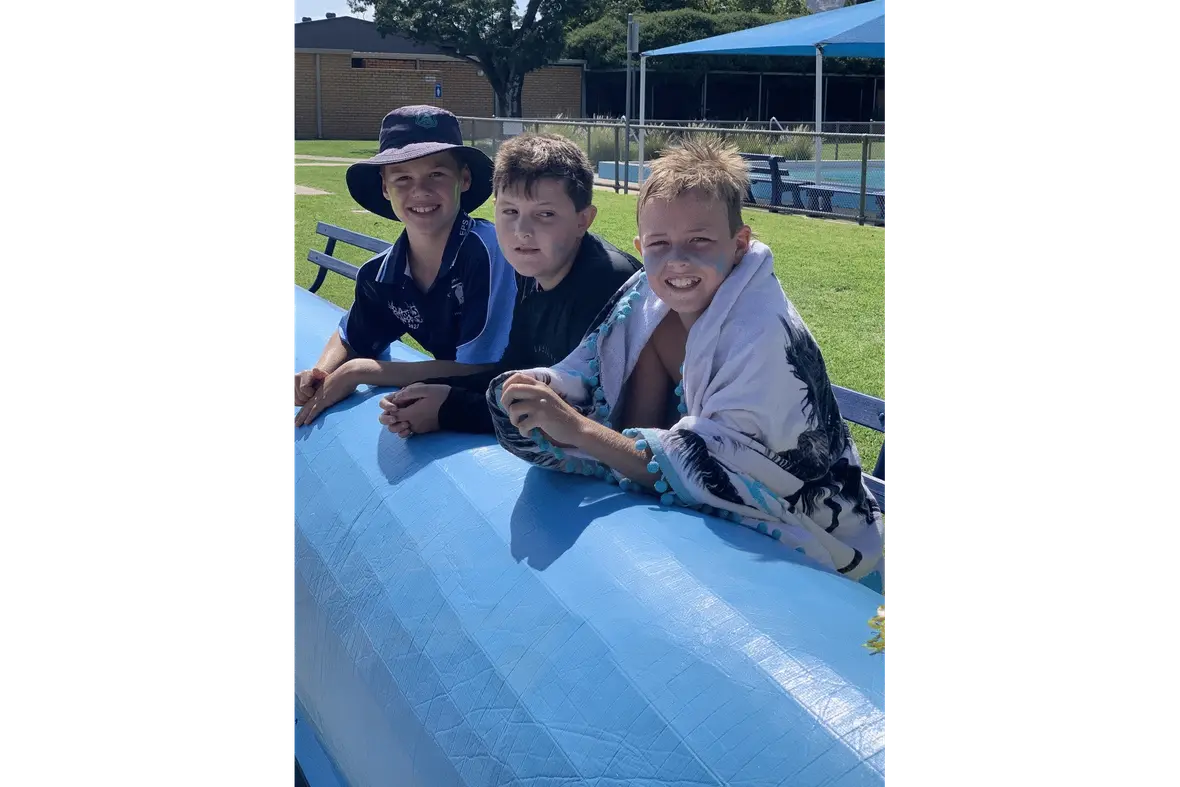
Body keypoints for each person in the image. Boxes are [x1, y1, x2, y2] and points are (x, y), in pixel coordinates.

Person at [486, 137, 886, 585]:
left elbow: (714, 467)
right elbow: (593, 378)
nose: (677, 261)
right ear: (641, 246)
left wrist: (578, 429)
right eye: (659, 243)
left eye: (699, 240)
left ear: (739, 243)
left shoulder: (763, 334)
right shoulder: (646, 303)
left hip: (827, 548)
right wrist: (543, 389)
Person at [377, 134, 640, 437]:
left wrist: (447, 409)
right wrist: (427, 391)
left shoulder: (607, 284)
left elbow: (578, 410)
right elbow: (516, 368)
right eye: (510, 212)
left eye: (545, 214)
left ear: (584, 220)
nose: (522, 232)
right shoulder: (531, 270)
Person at [292, 105, 517, 427]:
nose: (420, 191)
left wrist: (361, 372)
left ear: (464, 179)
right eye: (402, 178)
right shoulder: (381, 274)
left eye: (436, 175)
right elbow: (352, 335)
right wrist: (321, 373)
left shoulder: (492, 252)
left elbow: (484, 367)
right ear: (385, 188)